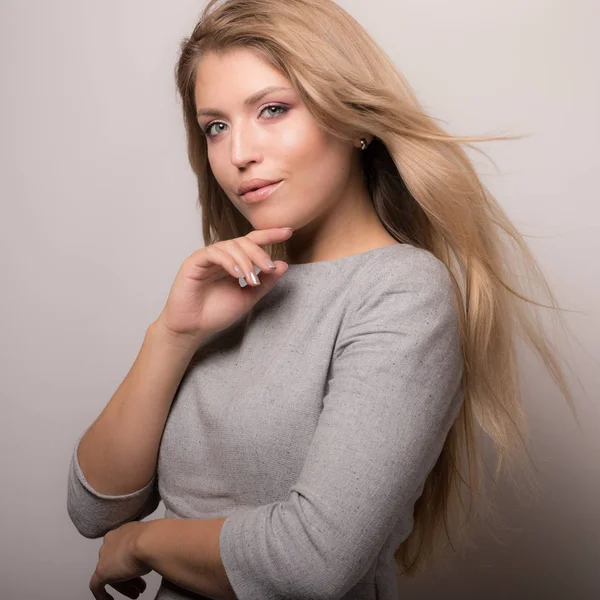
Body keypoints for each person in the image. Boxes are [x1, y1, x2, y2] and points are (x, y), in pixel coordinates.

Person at [66, 0, 579, 598]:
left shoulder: (401, 292)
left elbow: (313, 560)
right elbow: (92, 510)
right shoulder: (232, 289)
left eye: (273, 109)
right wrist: (172, 336)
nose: (238, 155)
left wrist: (141, 543)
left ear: (353, 117)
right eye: (217, 126)